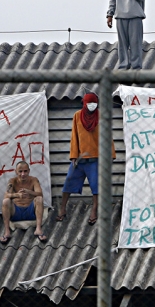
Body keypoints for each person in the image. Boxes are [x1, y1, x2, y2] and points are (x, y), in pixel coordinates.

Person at [57, 92, 116, 225]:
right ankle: (62, 209)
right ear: (84, 103)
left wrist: (110, 155)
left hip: (97, 158)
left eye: (94, 103)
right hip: (80, 158)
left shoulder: (102, 116)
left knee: (96, 186)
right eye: (89, 103)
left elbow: (108, 136)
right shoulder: (77, 116)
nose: (92, 106)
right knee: (69, 181)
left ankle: (94, 210)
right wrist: (73, 155)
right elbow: (74, 136)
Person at [106, 0, 147, 70]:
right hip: (120, 17)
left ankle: (136, 70)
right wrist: (110, 15)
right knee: (122, 46)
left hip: (135, 17)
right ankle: (123, 69)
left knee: (135, 45)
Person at [0, 161, 47, 244]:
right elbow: (6, 195)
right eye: (20, 171)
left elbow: (40, 194)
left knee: (39, 199)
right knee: (6, 201)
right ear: (16, 172)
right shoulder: (12, 181)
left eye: (25, 171)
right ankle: (7, 231)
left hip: (30, 210)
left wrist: (29, 192)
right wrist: (17, 195)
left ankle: (38, 229)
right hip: (16, 212)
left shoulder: (33, 180)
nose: (23, 174)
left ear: (29, 171)